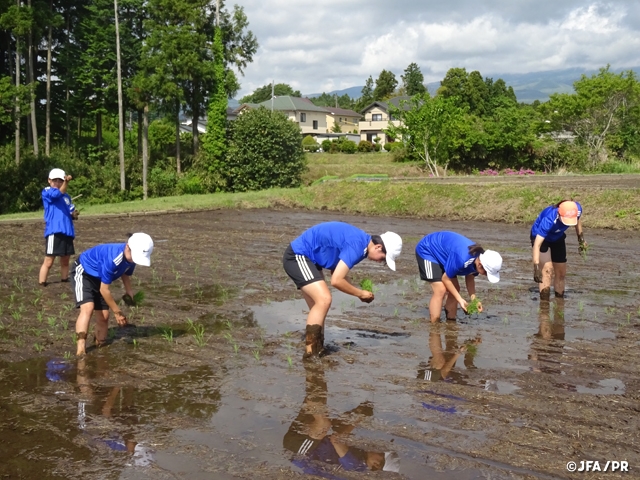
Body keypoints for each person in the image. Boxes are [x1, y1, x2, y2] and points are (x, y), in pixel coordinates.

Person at [283, 222, 402, 359]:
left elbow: (338, 271)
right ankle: (310, 354)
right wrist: (360, 293)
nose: (381, 262)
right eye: (383, 258)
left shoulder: (362, 245)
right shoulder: (358, 245)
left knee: (319, 307)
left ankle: (317, 347)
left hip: (311, 261)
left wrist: (358, 292)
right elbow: (336, 280)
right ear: (378, 247)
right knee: (324, 300)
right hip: (298, 256)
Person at [283, 362, 400, 476]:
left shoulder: (355, 467)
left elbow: (336, 439)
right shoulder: (361, 455)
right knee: (320, 394)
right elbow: (339, 434)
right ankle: (312, 359)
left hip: (297, 451)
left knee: (323, 424)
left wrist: (357, 419)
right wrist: (357, 415)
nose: (379, 448)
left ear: (377, 464)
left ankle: (312, 361)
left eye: (381, 452)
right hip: (309, 438)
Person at [72, 233, 154, 356]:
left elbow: (125, 273)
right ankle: (81, 350)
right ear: (127, 247)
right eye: (133, 256)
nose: (133, 260)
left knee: (104, 316)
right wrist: (118, 312)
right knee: (88, 308)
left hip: (100, 277)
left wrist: (129, 290)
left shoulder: (132, 257)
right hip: (84, 272)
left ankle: (100, 345)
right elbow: (104, 290)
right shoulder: (113, 258)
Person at [415, 231, 502, 322]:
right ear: (480, 265)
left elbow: (470, 277)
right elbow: (445, 278)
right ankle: (434, 326)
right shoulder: (463, 259)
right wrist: (460, 300)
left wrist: (474, 299)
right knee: (440, 290)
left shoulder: (478, 258)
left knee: (455, 288)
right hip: (428, 250)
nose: (485, 275)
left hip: (445, 254)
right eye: (486, 273)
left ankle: (451, 321)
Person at [531, 200, 586, 300]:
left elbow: (577, 220)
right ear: (559, 214)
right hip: (541, 238)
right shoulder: (549, 219)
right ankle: (544, 305)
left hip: (558, 236)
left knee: (561, 273)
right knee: (547, 271)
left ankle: (559, 304)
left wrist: (581, 239)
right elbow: (537, 245)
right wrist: (536, 267)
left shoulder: (577, 209)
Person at [39, 168, 78, 286]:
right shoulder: (47, 191)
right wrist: (66, 182)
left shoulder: (67, 197)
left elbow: (69, 209)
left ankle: (64, 280)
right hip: (54, 230)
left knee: (65, 260)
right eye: (55, 180)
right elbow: (56, 194)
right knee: (49, 260)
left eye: (60, 180)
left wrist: (73, 214)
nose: (57, 182)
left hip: (67, 230)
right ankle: (42, 282)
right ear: (49, 181)